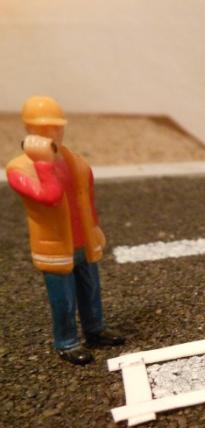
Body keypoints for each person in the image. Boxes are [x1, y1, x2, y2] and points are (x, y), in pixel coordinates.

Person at [5, 96, 125, 365]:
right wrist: (43, 163)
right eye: (43, 128)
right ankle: (67, 341)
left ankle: (95, 329)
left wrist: (94, 226)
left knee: (91, 289)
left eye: (56, 127)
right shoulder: (19, 169)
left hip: (83, 241)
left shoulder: (75, 161)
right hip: (55, 246)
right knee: (64, 299)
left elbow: (86, 197)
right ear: (28, 129)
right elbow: (50, 196)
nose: (52, 133)